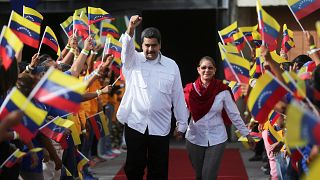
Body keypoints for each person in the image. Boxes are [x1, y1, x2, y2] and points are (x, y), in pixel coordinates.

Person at [117, 15, 189, 179]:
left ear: (160, 45)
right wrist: (131, 28)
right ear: (141, 45)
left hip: (160, 126)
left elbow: (177, 96)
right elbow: (126, 48)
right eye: (147, 46)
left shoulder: (171, 66)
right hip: (136, 124)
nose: (150, 49)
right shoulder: (132, 61)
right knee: (134, 168)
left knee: (158, 170)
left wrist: (182, 123)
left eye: (154, 46)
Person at [183, 56, 255, 180]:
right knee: (199, 175)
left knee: (208, 176)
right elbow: (183, 112)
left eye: (210, 68)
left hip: (217, 138)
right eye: (204, 68)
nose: (207, 70)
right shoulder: (189, 90)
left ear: (215, 70)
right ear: (198, 70)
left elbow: (234, 115)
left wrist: (246, 134)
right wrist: (179, 128)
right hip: (194, 137)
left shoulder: (223, 91)